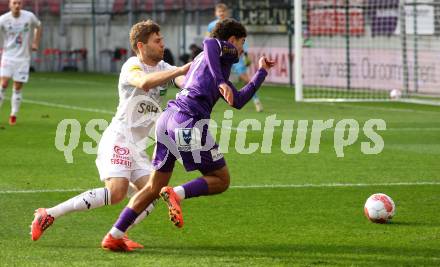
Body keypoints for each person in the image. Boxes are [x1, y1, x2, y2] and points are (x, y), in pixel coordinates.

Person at [101, 18, 275, 252]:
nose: (242, 50)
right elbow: (211, 43)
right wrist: (222, 81)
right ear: (232, 40)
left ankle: (114, 235)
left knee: (153, 187)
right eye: (242, 42)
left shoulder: (213, 65)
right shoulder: (222, 51)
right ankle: (177, 193)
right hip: (188, 123)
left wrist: (261, 72)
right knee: (221, 179)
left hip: (167, 121)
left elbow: (238, 101)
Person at [30, 20, 191, 250]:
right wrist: (181, 69)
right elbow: (144, 82)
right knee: (115, 192)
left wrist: (195, 80)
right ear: (141, 45)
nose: (162, 44)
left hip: (138, 146)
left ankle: (118, 234)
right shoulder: (132, 66)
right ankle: (49, 214)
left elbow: (181, 81)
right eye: (157, 41)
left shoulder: (164, 67)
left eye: (162, 40)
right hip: (119, 138)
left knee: (151, 194)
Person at [207, 3, 263, 112]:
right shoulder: (211, 26)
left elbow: (240, 41)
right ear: (216, 13)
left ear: (226, 12)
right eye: (219, 11)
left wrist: (245, 55)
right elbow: (209, 39)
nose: (221, 13)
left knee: (245, 78)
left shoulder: (232, 25)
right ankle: (208, 101)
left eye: (223, 11)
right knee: (212, 78)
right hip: (219, 58)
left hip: (234, 57)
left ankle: (256, 100)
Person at [0, 0, 42, 125]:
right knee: (3, 84)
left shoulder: (29, 17)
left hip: (23, 58)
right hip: (8, 56)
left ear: (21, 5)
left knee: (17, 87)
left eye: (19, 3)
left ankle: (13, 114)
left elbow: (39, 26)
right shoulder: (3, 19)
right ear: (10, 5)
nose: (17, 5)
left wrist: (35, 42)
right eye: (14, 3)